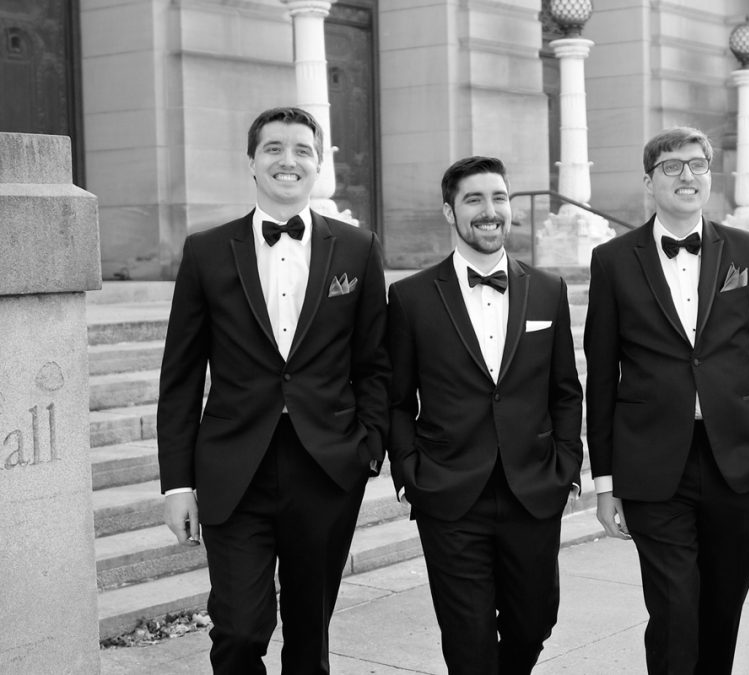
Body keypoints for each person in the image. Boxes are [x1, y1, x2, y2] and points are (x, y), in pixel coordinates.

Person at [157, 106, 390, 673]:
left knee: (310, 634)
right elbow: (181, 376)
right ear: (252, 162)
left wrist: (369, 449)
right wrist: (177, 484)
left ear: (318, 163)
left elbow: (374, 363)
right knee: (239, 630)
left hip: (327, 466)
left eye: (302, 150)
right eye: (274, 148)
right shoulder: (206, 251)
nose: (289, 160)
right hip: (234, 467)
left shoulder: (358, 248)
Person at [584, 127, 749, 674]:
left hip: (739, 462)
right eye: (672, 166)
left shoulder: (748, 251)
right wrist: (604, 483)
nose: (688, 176)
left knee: (722, 611)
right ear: (648, 181)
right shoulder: (612, 260)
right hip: (654, 466)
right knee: (674, 611)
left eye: (698, 165)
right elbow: (601, 377)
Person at [386, 156, 583, 674]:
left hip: (532, 488)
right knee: (467, 638)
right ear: (449, 211)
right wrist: (409, 473)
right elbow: (396, 399)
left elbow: (565, 390)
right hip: (449, 493)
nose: (490, 210)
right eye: (473, 199)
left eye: (499, 197)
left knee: (534, 621)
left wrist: (566, 465)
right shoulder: (409, 297)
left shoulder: (548, 289)